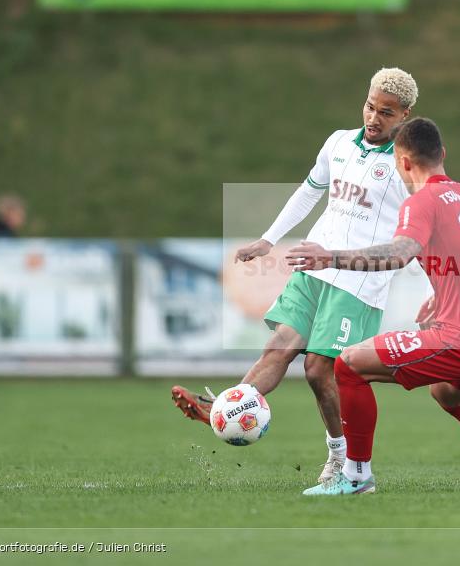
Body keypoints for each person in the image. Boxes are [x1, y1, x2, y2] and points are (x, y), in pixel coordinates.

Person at [171, 67, 419, 484]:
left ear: (406, 115)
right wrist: (269, 240)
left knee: (320, 369)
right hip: (313, 265)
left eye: (387, 113)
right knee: (280, 346)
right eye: (370, 106)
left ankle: (343, 459)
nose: (374, 118)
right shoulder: (338, 142)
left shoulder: (406, 165)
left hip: (357, 281)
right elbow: (309, 191)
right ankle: (227, 408)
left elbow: (421, 230)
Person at [288, 117, 460, 495]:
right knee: (448, 393)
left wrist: (331, 257)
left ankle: (355, 477)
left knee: (349, 364)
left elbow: (401, 252)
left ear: (403, 162)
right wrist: (454, 289)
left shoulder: (422, 201)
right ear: (443, 154)